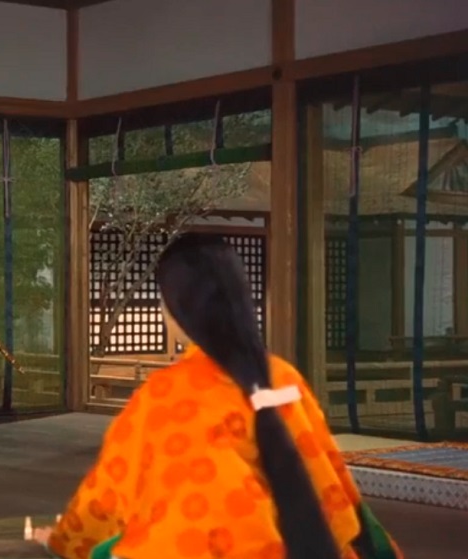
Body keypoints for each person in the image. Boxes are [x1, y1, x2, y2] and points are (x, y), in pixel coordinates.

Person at [36, 234, 402, 558]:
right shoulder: (284, 380)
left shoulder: (165, 394)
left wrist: (66, 541)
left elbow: (108, 494)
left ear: (176, 308)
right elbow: (329, 476)